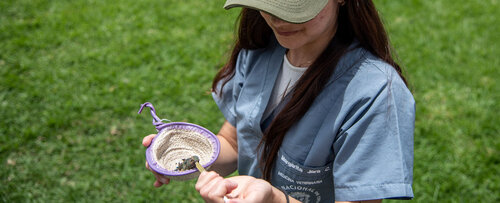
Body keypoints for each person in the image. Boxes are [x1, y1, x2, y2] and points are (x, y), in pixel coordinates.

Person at [142, 0, 415, 202]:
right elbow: (235, 143)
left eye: (294, 6)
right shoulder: (260, 52)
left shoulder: (376, 93)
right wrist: (187, 156)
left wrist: (274, 199)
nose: (277, 20)